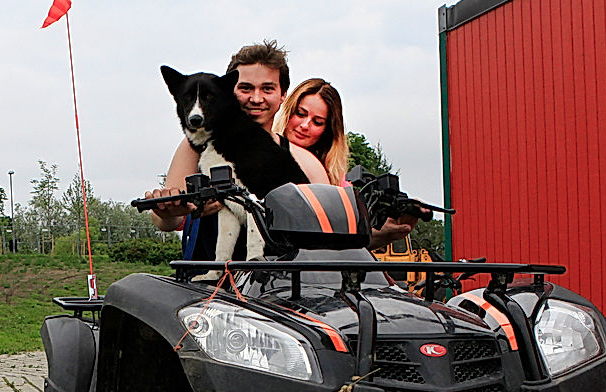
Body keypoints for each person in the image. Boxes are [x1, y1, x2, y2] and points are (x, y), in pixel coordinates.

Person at [146, 41, 328, 257]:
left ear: (283, 95)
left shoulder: (306, 163)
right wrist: (168, 210)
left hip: (285, 282)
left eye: (267, 89)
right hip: (212, 285)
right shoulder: (193, 148)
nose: (256, 98)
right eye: (245, 88)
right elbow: (165, 221)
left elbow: (327, 232)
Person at [276, 78, 421, 250]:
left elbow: (340, 245)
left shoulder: (336, 182)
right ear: (287, 111)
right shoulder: (257, 156)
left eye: (317, 122)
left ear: (328, 131)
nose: (305, 125)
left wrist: (384, 234)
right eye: (300, 114)